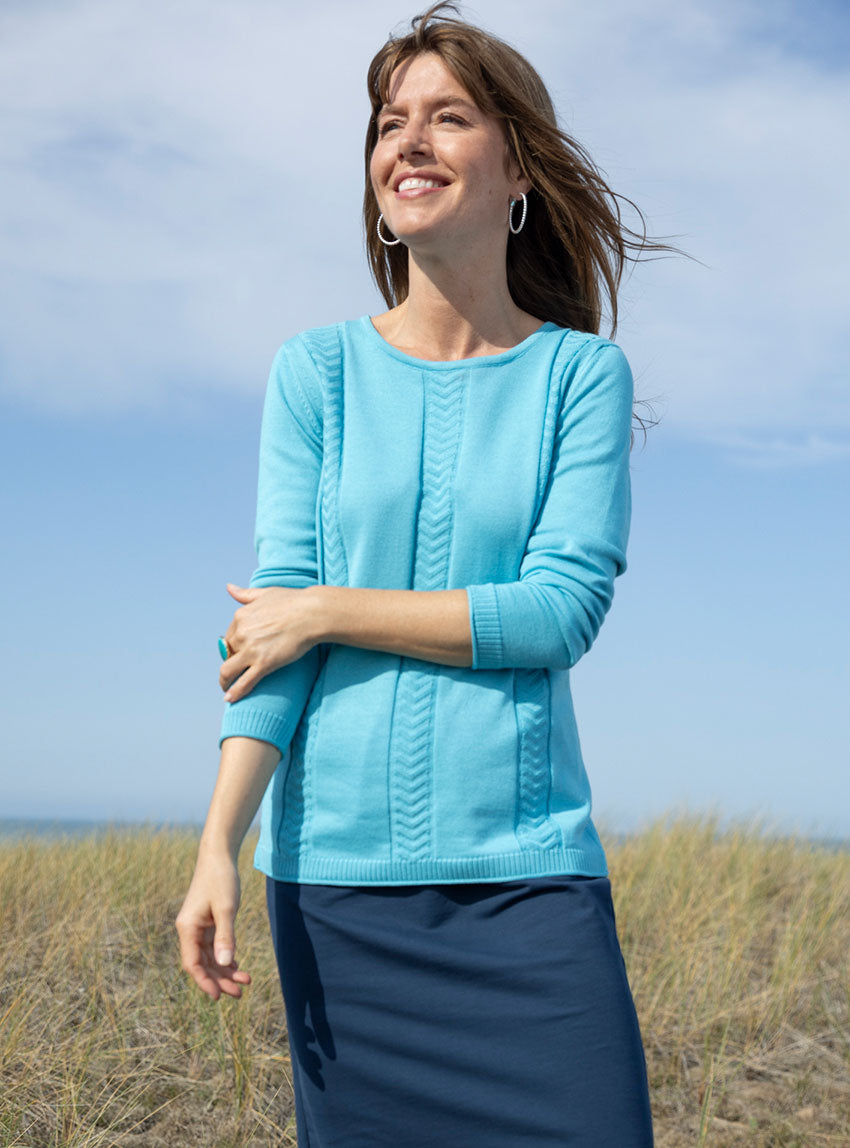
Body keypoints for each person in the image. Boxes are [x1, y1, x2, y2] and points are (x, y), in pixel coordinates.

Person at [177, 4, 677, 1144]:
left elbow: (557, 613)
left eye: (448, 117)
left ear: (518, 170)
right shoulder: (314, 371)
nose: (408, 141)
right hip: (335, 892)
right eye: (388, 122)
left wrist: (326, 611)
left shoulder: (579, 377)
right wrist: (217, 844)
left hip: (530, 887)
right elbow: (268, 638)